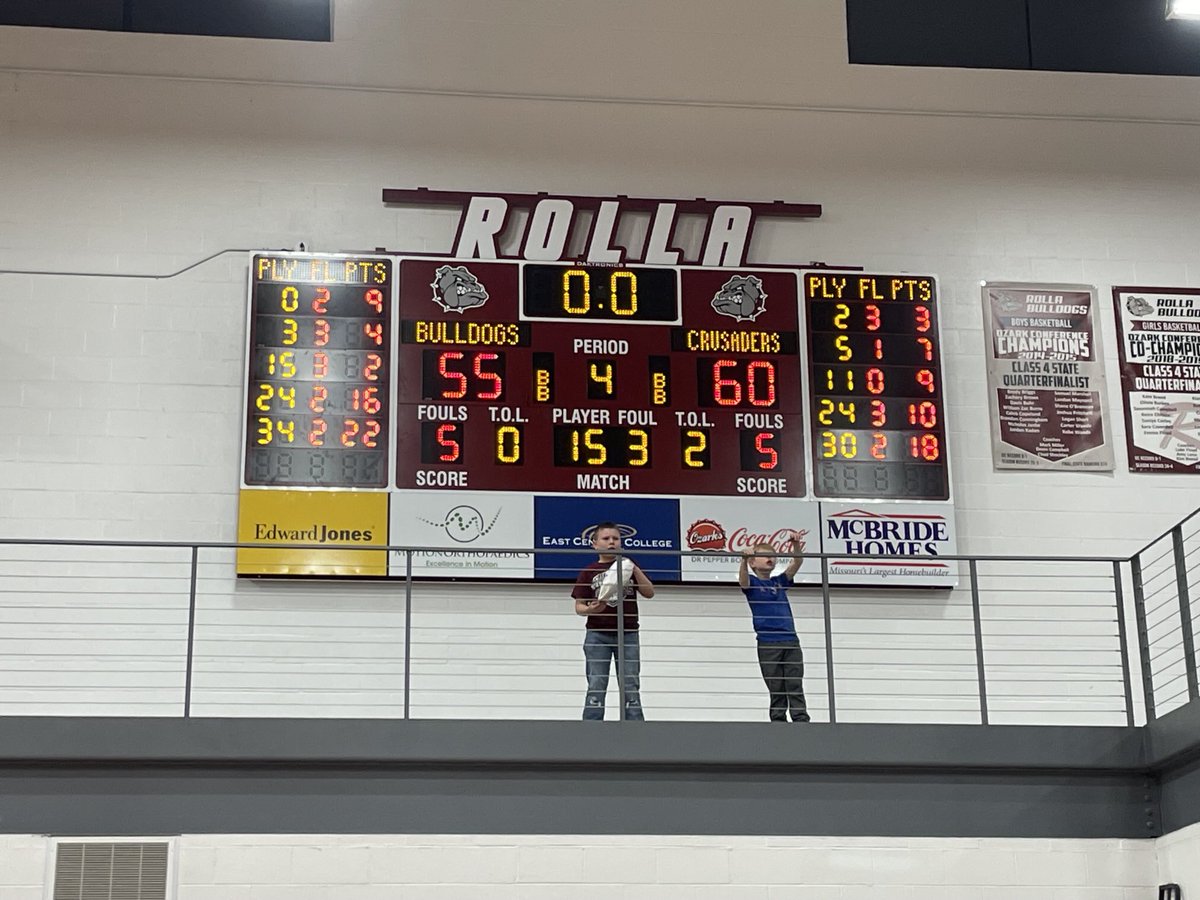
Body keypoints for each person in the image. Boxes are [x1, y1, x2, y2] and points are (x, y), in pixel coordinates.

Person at [571, 522, 655, 721]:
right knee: (596, 682)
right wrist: (591, 609)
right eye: (606, 539)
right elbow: (579, 606)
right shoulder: (589, 571)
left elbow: (649, 592)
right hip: (597, 634)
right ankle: (592, 726)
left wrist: (633, 568)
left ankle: (634, 726)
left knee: (630, 683)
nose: (611, 543)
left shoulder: (628, 567)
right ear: (594, 544)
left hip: (628, 633)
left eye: (615, 539)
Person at [738, 533, 810, 723]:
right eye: (764, 555)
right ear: (753, 562)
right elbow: (743, 582)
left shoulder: (779, 581)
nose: (771, 558)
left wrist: (796, 545)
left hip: (790, 639)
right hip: (768, 642)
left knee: (794, 682)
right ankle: (778, 719)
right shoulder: (753, 582)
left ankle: (800, 718)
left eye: (773, 555)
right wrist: (743, 560)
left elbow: (797, 562)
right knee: (776, 685)